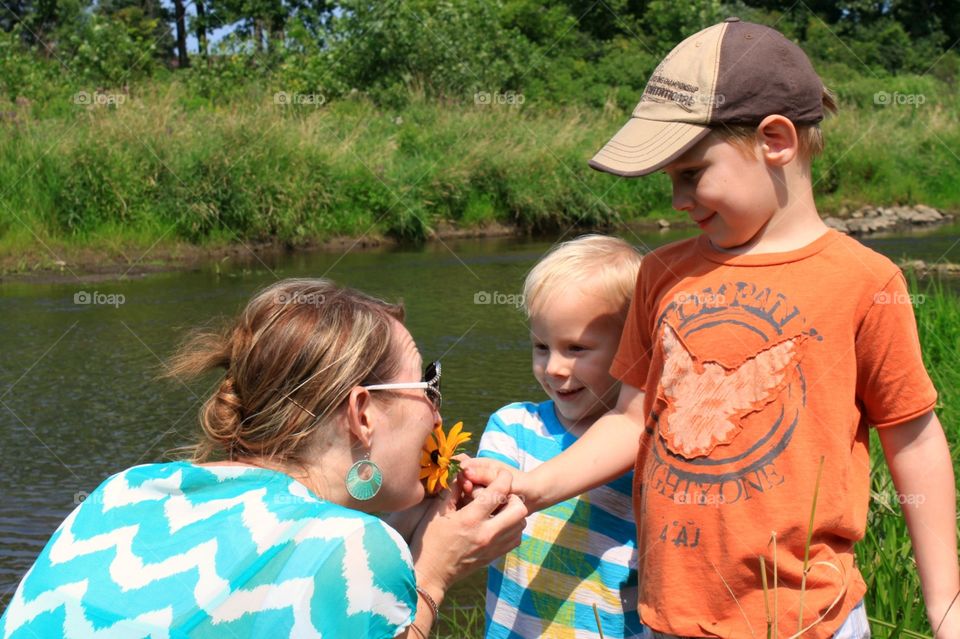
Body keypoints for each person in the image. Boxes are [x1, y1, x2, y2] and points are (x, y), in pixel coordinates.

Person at [464, 18, 960, 639]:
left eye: (691, 173)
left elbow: (911, 439)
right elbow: (628, 420)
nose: (676, 199)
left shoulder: (867, 281)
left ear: (775, 140)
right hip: (670, 618)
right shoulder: (661, 274)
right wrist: (531, 488)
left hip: (807, 618)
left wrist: (946, 608)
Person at [1, 278, 527, 638]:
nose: (437, 415)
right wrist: (433, 575)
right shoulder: (355, 547)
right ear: (363, 413)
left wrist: (408, 523)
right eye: (427, 382)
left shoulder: (124, 489)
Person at [476, 235, 645, 638]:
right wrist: (470, 482)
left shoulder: (646, 449)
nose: (553, 367)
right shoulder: (514, 427)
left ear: (633, 349)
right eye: (541, 346)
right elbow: (488, 499)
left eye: (576, 348)